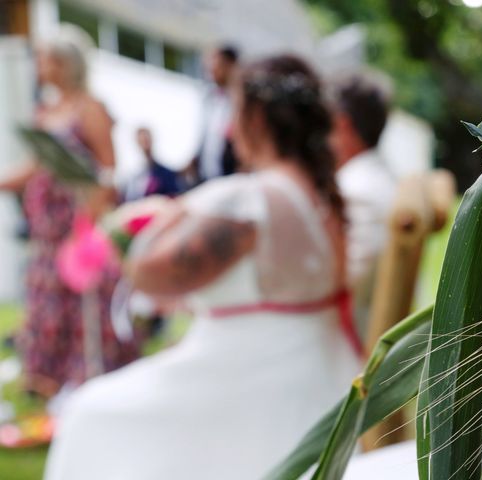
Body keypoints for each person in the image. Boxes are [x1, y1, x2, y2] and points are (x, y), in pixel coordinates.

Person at [44, 55, 362, 480]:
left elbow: (149, 273)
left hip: (255, 385)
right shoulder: (324, 198)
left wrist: (156, 221)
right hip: (318, 377)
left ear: (258, 119)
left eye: (234, 112)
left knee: (89, 413)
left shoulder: (248, 200)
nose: (228, 128)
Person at [0, 26, 139, 396]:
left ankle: (88, 383)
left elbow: (108, 173)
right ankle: (49, 385)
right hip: (45, 233)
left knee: (84, 309)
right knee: (47, 307)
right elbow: (33, 169)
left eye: (45, 58)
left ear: (64, 63)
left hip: (78, 232)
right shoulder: (45, 111)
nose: (39, 65)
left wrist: (86, 225)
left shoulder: (89, 108)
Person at [329, 73, 397, 332]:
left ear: (341, 125)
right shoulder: (377, 178)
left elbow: (347, 285)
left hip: (350, 343)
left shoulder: (357, 193)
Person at [185, 44, 240, 187]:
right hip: (204, 177)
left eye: (217, 64)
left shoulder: (240, 100)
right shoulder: (209, 98)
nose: (212, 69)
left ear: (231, 66)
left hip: (230, 178)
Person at [123, 127, 181, 201]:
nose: (145, 143)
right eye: (142, 141)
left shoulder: (166, 173)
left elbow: (174, 194)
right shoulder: (133, 177)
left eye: (146, 140)